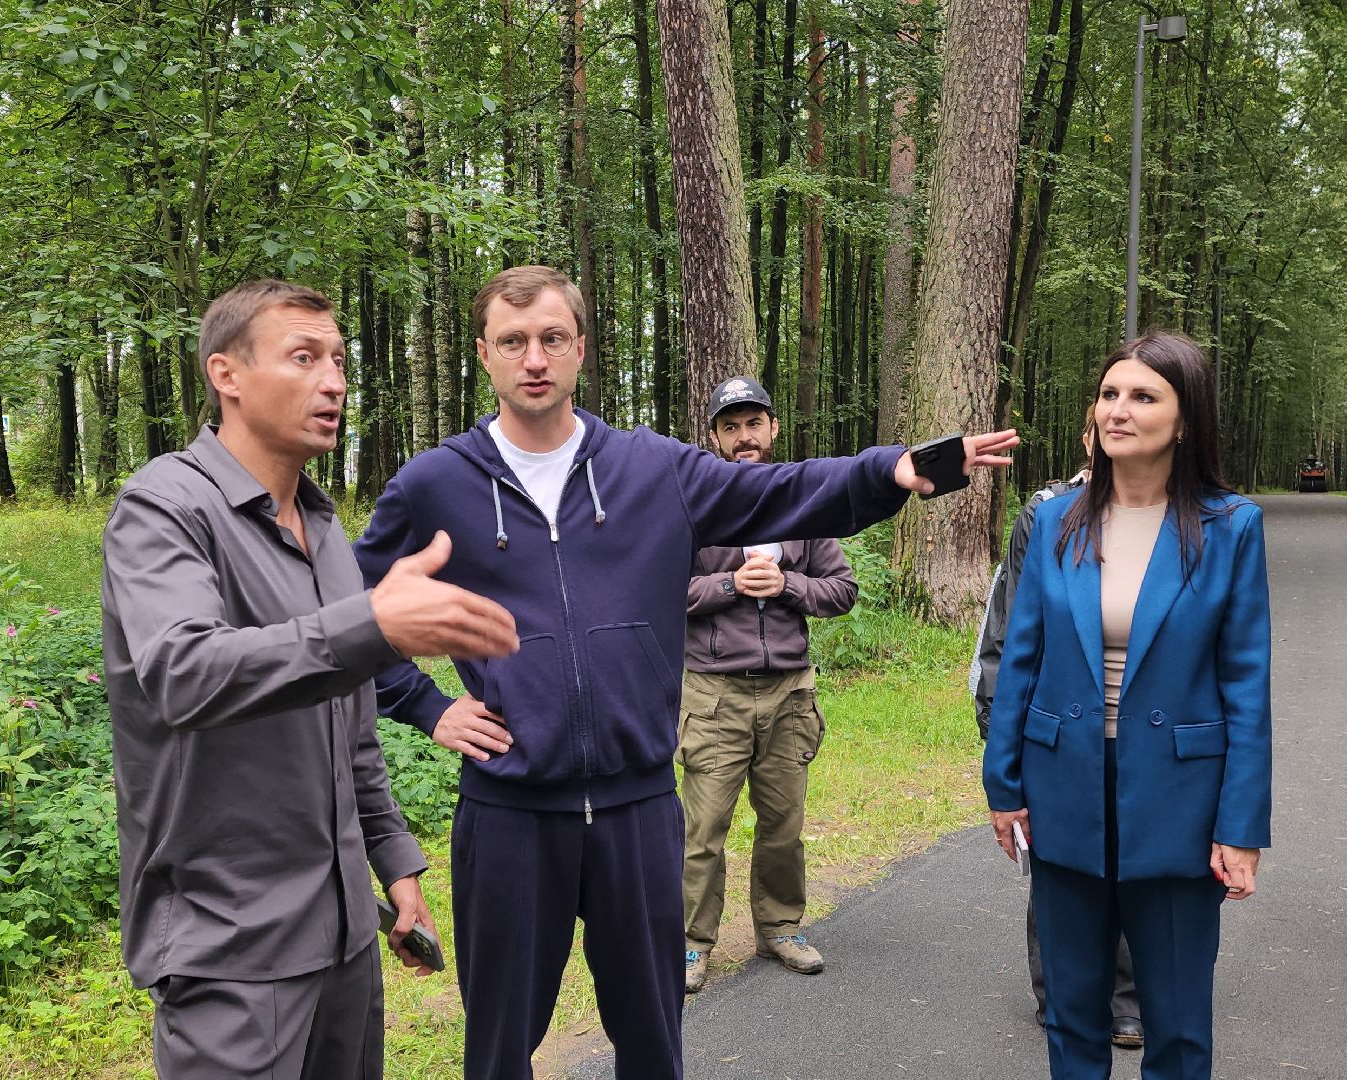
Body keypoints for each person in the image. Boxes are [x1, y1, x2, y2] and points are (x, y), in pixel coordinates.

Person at [355, 264, 1017, 1079]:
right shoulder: (435, 486)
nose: (534, 358)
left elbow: (778, 491)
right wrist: (426, 706)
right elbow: (348, 611)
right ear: (484, 355)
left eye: (553, 338)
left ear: (581, 349)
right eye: (513, 341)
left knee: (652, 1041)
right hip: (510, 814)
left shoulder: (651, 469)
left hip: (638, 809)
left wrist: (893, 471)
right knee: (498, 1048)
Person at [102, 279, 520, 1079]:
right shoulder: (164, 507)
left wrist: (396, 865)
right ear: (226, 373)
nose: (333, 382)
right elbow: (185, 674)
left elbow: (350, 730)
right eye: (304, 358)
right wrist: (373, 625)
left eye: (339, 361)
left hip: (346, 939)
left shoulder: (325, 530)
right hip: (229, 948)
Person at [984, 330, 1271, 1080]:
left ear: (1185, 420)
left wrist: (1240, 827)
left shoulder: (1231, 527)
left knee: (1177, 1026)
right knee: (1071, 1015)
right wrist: (1002, 785)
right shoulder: (1055, 521)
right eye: (1109, 394)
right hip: (1063, 787)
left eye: (1143, 396)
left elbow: (1246, 685)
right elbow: (1021, 659)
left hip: (1180, 799)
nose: (1118, 409)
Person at [973, 410, 1145, 1049]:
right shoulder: (1046, 514)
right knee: (1060, 857)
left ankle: (1127, 1000)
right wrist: (1000, 725)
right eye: (1103, 418)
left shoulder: (1182, 518)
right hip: (1057, 721)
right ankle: (1062, 994)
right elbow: (1009, 624)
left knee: (1135, 854)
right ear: (1087, 439)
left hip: (1139, 723)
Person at [681, 375, 857, 990]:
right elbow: (659, 590)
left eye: (753, 423)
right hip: (714, 694)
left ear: (773, 428)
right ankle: (691, 943)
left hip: (789, 691)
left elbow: (842, 590)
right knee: (703, 830)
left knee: (783, 824)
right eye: (730, 427)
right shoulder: (694, 506)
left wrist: (789, 585)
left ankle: (780, 928)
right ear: (714, 437)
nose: (743, 437)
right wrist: (729, 584)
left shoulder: (802, 506)